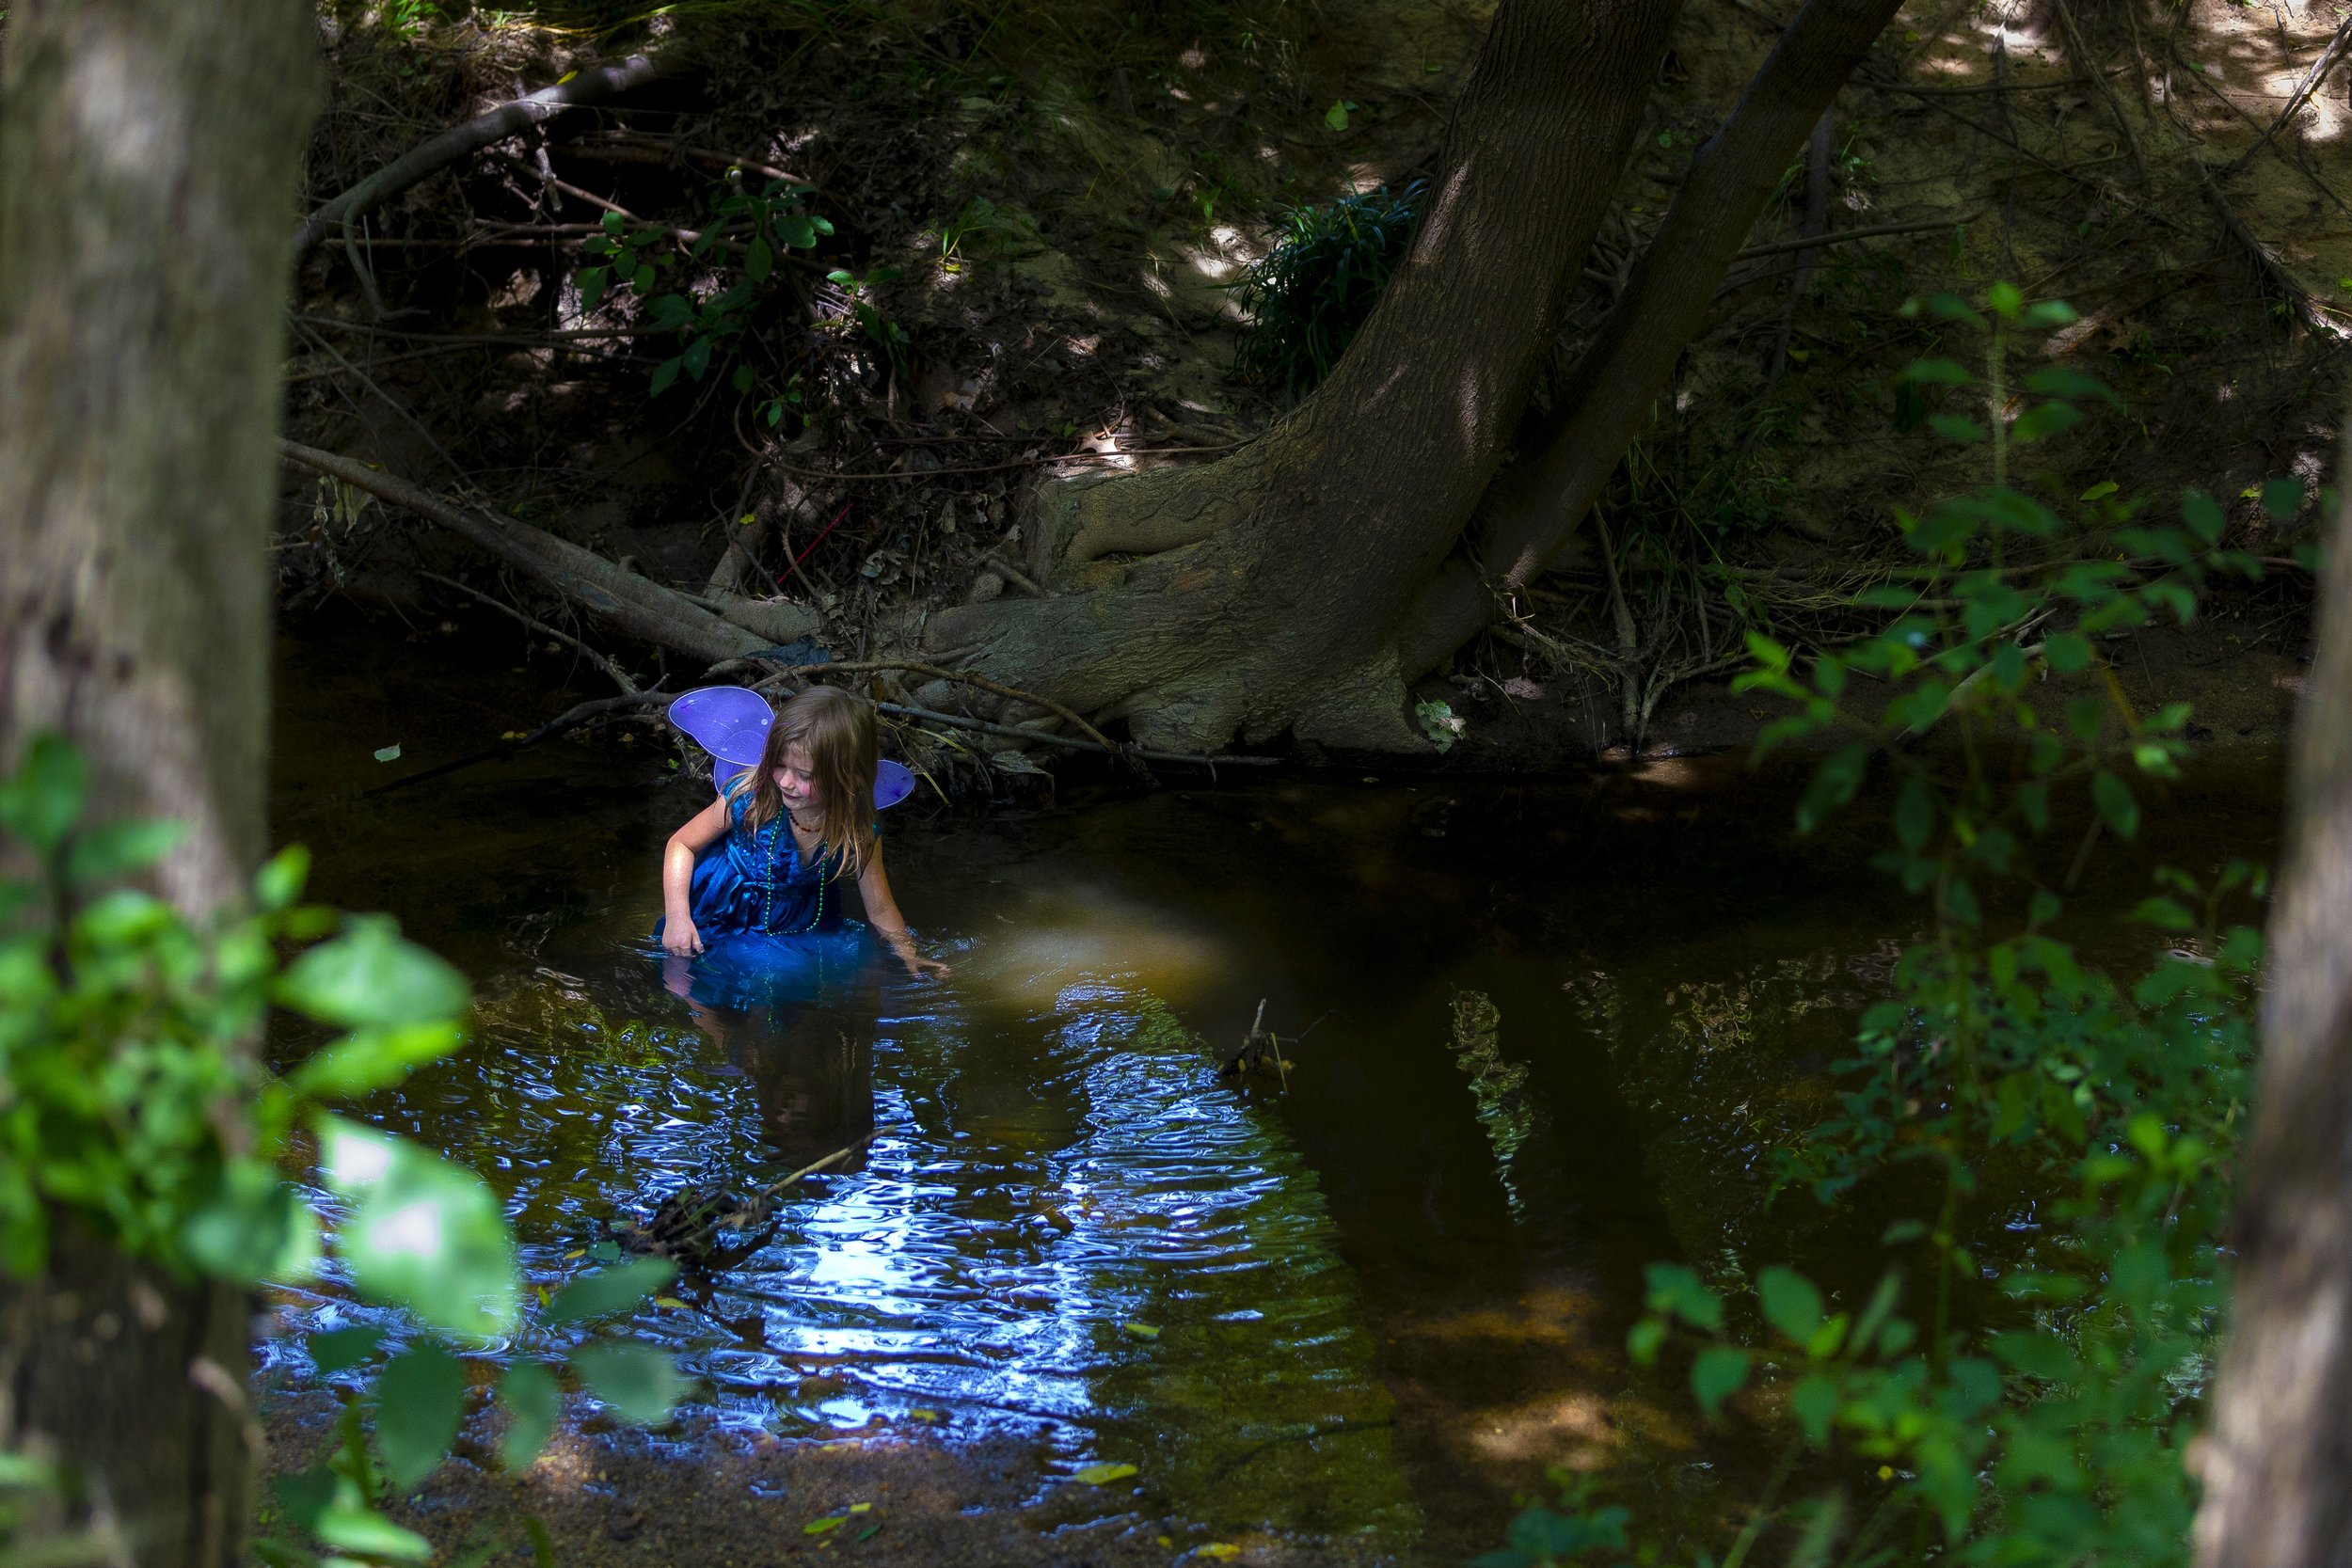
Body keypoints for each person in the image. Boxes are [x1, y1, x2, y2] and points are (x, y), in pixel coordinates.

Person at [658, 685, 948, 978]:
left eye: (805, 775)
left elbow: (881, 910)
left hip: (798, 922)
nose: (785, 782)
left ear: (848, 777)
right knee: (709, 982)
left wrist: (909, 955)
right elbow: (681, 844)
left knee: (838, 975)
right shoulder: (750, 798)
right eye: (779, 764)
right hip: (724, 914)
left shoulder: (856, 830)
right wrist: (678, 918)